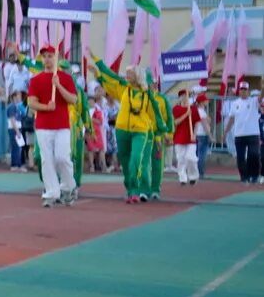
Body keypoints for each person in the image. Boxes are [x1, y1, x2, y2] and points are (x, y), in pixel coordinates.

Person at [94, 61, 171, 203]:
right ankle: (131, 189)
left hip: (143, 132)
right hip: (122, 131)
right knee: (126, 161)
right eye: (126, 74)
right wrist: (98, 72)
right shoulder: (124, 89)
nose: (126, 76)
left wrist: (163, 134)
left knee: (139, 160)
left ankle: (145, 190)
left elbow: (157, 117)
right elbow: (110, 84)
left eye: (129, 74)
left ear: (137, 77)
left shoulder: (151, 97)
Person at [28, 45, 78, 207]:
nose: (47, 59)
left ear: (57, 58)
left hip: (62, 125)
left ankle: (68, 187)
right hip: (43, 126)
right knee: (46, 159)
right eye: (45, 56)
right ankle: (51, 192)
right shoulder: (36, 80)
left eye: (50, 56)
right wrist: (45, 107)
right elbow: (31, 102)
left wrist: (59, 86)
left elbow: (73, 100)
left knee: (62, 157)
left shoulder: (66, 78)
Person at [224, 86, 261, 184]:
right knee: (240, 157)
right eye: (241, 90)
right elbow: (231, 119)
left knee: (253, 155)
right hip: (239, 134)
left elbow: (261, 97)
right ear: (239, 91)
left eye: (245, 90)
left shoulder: (253, 101)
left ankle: (254, 175)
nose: (243, 91)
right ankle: (244, 176)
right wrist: (225, 132)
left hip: (253, 133)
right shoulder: (235, 103)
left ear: (248, 91)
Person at [170, 89, 200, 185]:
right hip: (179, 137)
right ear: (180, 98)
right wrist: (186, 115)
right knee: (181, 159)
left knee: (191, 157)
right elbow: (176, 122)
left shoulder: (194, 109)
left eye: (187, 96)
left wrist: (194, 134)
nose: (185, 98)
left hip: (190, 137)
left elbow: (197, 123)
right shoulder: (176, 109)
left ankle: (193, 176)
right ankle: (182, 178)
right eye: (183, 96)